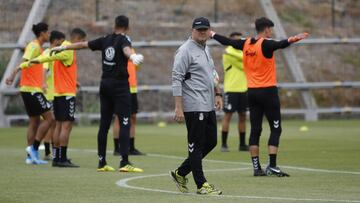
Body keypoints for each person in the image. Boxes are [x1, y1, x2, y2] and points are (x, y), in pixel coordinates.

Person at [211, 17, 308, 177]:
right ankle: (272, 166)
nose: (271, 32)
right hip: (268, 92)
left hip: (252, 92)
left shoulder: (246, 43)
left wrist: (212, 34)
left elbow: (228, 41)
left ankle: (256, 168)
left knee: (256, 129)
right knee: (276, 128)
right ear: (267, 29)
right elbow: (281, 44)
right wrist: (294, 38)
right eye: (271, 29)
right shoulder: (267, 43)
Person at [51, 15, 144, 172]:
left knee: (104, 124)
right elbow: (126, 50)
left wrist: (63, 47)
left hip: (105, 85)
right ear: (127, 28)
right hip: (120, 87)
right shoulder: (124, 40)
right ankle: (124, 162)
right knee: (124, 122)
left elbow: (82, 45)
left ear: (114, 25)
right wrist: (133, 56)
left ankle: (102, 162)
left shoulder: (105, 39)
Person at [170, 17, 223, 195]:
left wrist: (217, 93)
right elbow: (176, 78)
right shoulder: (185, 51)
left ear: (209, 31)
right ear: (192, 30)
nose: (202, 32)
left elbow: (212, 73)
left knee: (212, 141)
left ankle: (181, 172)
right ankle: (202, 185)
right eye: (199, 29)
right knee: (196, 145)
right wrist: (178, 107)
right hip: (193, 105)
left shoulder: (205, 48)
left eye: (205, 30)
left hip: (208, 104)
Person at [29, 28, 87, 167]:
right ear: (77, 39)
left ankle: (56, 158)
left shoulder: (60, 49)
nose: (83, 44)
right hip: (67, 94)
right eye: (83, 41)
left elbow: (60, 69)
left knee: (58, 126)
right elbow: (49, 62)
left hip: (57, 93)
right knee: (66, 127)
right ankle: (62, 159)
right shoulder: (68, 49)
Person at [6, 22, 53, 165]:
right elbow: (24, 61)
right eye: (47, 32)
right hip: (31, 90)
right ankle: (33, 149)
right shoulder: (33, 46)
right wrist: (12, 75)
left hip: (30, 89)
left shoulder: (37, 46)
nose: (49, 34)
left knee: (34, 121)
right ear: (42, 33)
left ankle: (30, 156)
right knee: (50, 118)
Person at [220, 32, 249, 152]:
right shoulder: (227, 52)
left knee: (243, 116)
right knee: (228, 116)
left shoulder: (242, 52)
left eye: (240, 40)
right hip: (231, 89)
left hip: (245, 88)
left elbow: (247, 63)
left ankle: (242, 144)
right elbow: (246, 65)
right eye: (236, 40)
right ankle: (224, 144)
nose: (239, 42)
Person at [113, 50, 145, 156]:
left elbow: (134, 68)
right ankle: (117, 148)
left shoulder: (132, 51)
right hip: (122, 88)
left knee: (133, 117)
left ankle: (131, 147)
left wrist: (138, 62)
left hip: (133, 89)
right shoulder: (118, 50)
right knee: (118, 118)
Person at [41, 30, 66, 160]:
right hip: (49, 94)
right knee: (51, 123)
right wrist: (43, 83)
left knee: (53, 124)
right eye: (61, 41)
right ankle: (47, 152)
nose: (62, 44)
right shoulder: (48, 52)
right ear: (56, 41)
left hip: (54, 93)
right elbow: (45, 69)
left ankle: (49, 152)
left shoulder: (55, 53)